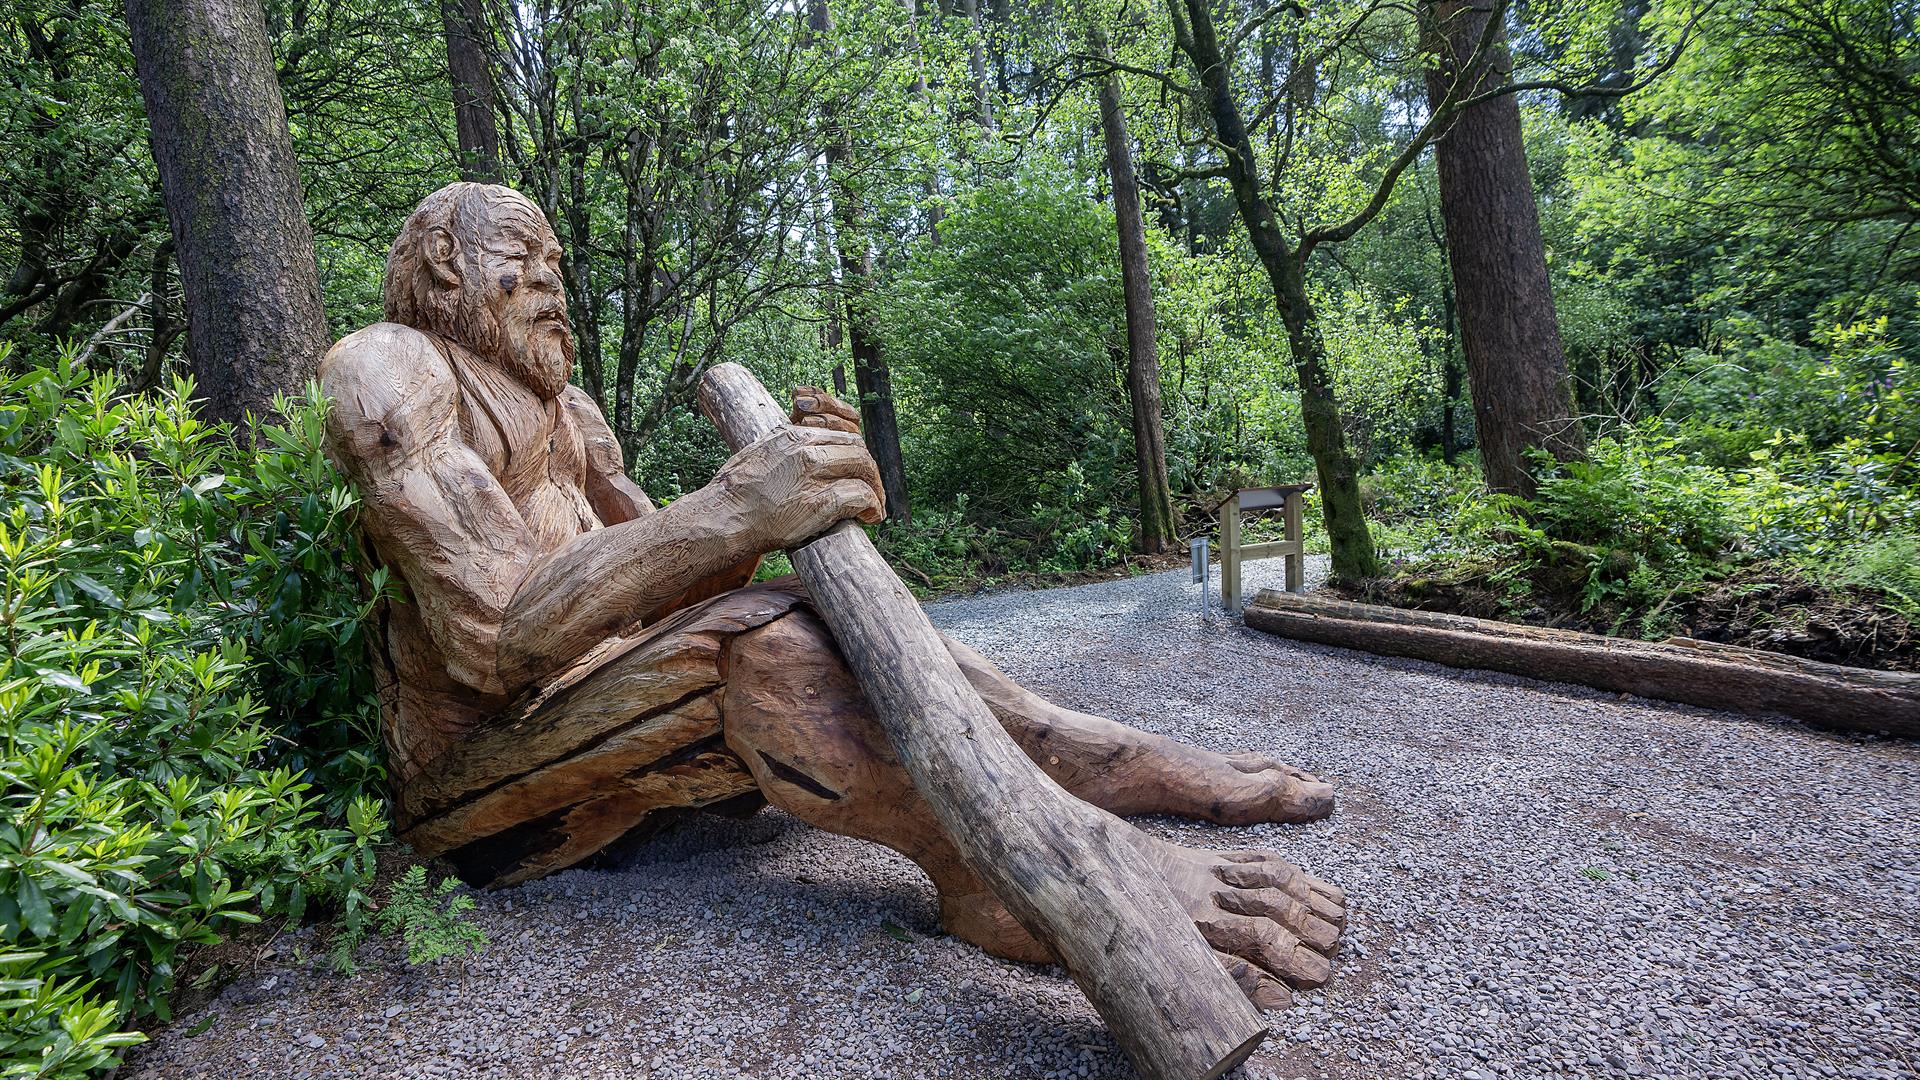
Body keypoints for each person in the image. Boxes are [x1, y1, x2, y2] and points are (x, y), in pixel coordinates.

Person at [319, 182, 1343, 1008]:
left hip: (600, 696)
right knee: (754, 646)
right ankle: (993, 869)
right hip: (483, 770)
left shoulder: (569, 407)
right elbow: (497, 630)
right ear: (449, 264)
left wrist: (805, 491)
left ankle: (1081, 752)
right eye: (523, 259)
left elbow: (671, 572)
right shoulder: (391, 369)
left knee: (803, 609)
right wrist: (736, 508)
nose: (553, 283)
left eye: (558, 263)